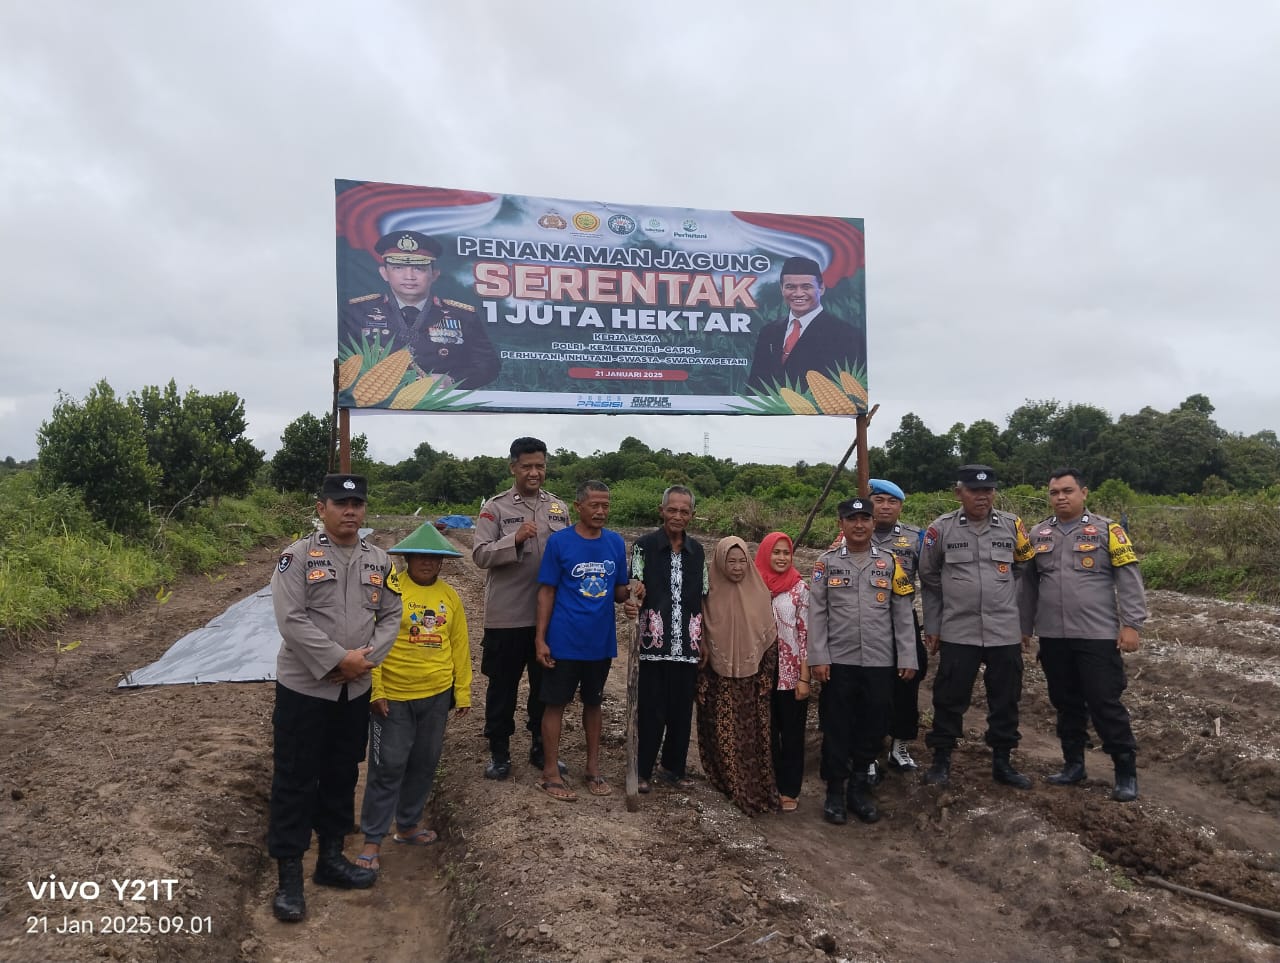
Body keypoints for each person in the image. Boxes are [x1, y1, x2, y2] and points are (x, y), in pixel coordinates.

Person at [267, 474, 402, 923]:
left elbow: (391, 615)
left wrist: (363, 662)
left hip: (354, 690)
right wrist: (337, 660)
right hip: (305, 689)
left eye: (357, 504)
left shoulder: (379, 561)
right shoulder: (297, 557)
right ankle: (289, 876)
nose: (350, 511)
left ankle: (330, 859)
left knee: (342, 774)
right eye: (341, 503)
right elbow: (291, 620)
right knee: (295, 778)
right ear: (321, 508)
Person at [1020, 468, 1147, 802]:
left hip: (1096, 635)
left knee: (1105, 702)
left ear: (1084, 493)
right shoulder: (1038, 534)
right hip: (1053, 636)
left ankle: (1125, 771)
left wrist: (1131, 624)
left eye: (1067, 491)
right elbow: (1028, 585)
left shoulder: (1108, 531)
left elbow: (1129, 579)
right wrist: (1023, 627)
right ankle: (1073, 765)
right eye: (1054, 492)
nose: (1061, 497)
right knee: (1065, 703)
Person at [356, 523, 472, 872]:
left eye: (434, 558)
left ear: (442, 562)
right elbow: (371, 642)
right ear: (406, 558)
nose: (427, 562)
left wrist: (462, 691)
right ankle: (372, 839)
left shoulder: (450, 597)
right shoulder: (391, 592)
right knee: (387, 766)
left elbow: (459, 645)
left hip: (436, 694)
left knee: (424, 762)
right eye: (420, 556)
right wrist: (376, 688)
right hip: (394, 695)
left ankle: (407, 825)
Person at [918, 465, 1036, 790]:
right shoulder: (940, 529)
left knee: (1006, 697)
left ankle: (1003, 761)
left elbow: (1023, 567)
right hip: (959, 628)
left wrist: (1019, 619)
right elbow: (928, 576)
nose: (982, 497)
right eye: (974, 491)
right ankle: (941, 760)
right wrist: (938, 619)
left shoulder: (1013, 525)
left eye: (988, 490)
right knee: (949, 696)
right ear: (959, 493)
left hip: (1003, 629)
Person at [808, 499, 917, 824]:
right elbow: (817, 613)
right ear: (840, 524)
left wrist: (907, 655)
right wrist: (818, 657)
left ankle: (858, 790)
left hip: (879, 662)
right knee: (837, 726)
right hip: (839, 662)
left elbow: (902, 613)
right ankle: (835, 792)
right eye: (852, 519)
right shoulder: (826, 563)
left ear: (872, 523)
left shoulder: (890, 563)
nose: (859, 525)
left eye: (864, 519)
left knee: (873, 725)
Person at [473, 438, 571, 780]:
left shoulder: (558, 508)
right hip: (507, 617)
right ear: (513, 467)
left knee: (545, 687)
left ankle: (540, 748)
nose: (534, 472)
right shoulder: (495, 508)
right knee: (503, 687)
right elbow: (480, 554)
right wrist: (513, 540)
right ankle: (499, 753)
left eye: (540, 466)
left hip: (548, 619)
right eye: (527, 466)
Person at [534, 481, 631, 801]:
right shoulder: (560, 542)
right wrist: (540, 638)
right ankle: (550, 773)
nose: (601, 511)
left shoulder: (615, 543)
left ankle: (593, 769)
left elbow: (619, 592)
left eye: (606, 505)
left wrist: (632, 592)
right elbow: (547, 591)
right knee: (555, 704)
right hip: (564, 640)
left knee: (594, 702)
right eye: (595, 505)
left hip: (599, 642)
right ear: (578, 507)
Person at [340, 230, 499, 389]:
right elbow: (341, 360)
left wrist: (451, 380)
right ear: (384, 273)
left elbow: (488, 365)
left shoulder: (462, 316)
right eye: (398, 268)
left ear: (434, 274)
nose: (409, 276)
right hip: (375, 401)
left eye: (418, 268)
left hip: (440, 401)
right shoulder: (357, 312)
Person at [628, 485, 707, 793]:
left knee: (681, 710)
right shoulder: (644, 546)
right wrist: (634, 594)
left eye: (684, 511)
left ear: (692, 515)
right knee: (651, 709)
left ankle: (673, 768)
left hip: (688, 642)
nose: (677, 516)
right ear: (661, 511)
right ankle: (642, 770)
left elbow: (703, 596)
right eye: (672, 510)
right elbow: (634, 584)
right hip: (653, 642)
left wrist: (704, 639)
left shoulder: (697, 551)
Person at [697, 536, 781, 816]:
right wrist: (702, 679)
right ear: (720, 563)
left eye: (741, 561)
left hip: (752, 681)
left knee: (752, 738)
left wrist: (766, 676)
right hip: (717, 680)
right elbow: (700, 635)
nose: (736, 567)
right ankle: (731, 788)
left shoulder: (758, 592)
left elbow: (770, 637)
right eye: (730, 561)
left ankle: (756, 791)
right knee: (721, 735)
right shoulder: (708, 594)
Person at [867, 478, 928, 774]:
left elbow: (931, 581)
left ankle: (900, 745)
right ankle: (869, 749)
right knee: (869, 687)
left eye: (892, 501)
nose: (885, 507)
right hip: (864, 623)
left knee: (908, 681)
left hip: (902, 621)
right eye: (879, 500)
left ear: (901, 506)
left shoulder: (915, 538)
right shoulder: (853, 534)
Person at [745, 255, 865, 394]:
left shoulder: (846, 334)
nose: (798, 293)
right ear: (782, 289)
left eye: (806, 287)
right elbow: (755, 387)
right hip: (770, 408)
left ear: (821, 288)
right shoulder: (768, 332)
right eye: (790, 287)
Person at [754, 532, 810, 813]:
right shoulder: (753, 587)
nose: (781, 557)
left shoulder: (799, 589)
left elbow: (806, 635)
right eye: (776, 552)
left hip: (790, 673)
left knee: (791, 733)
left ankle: (789, 788)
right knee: (766, 730)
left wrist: (804, 678)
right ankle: (768, 784)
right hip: (760, 673)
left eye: (786, 553)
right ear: (765, 554)